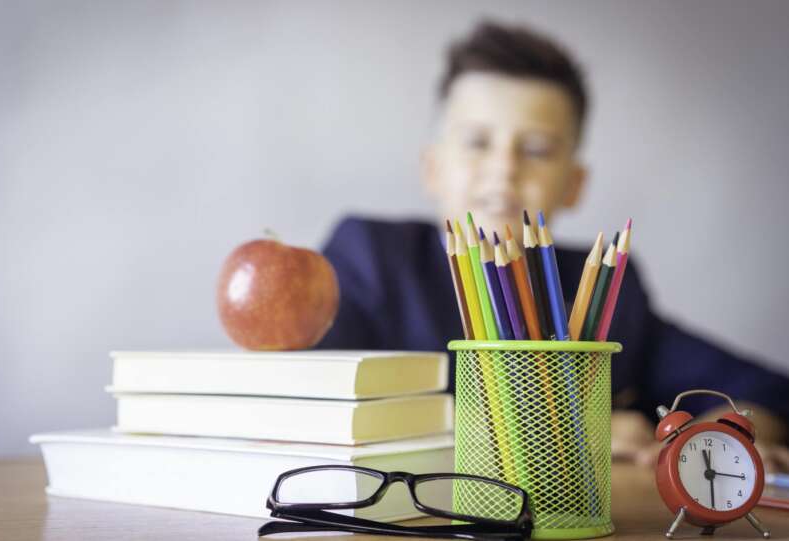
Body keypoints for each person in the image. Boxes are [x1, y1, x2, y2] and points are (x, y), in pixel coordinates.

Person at [316, 21, 789, 471]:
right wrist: (567, 432)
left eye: (537, 149)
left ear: (574, 185)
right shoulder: (372, 257)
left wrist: (725, 434)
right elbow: (313, 399)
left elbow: (763, 390)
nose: (504, 167)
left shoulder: (604, 287)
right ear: (432, 168)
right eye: (478, 142)